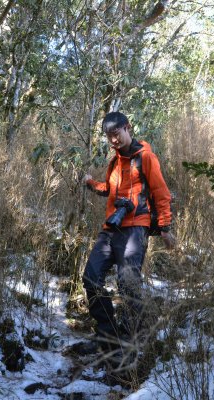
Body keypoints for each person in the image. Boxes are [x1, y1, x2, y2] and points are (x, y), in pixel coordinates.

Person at [81, 111, 175, 366]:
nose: (113, 140)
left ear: (127, 128)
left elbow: (161, 193)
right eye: (108, 137)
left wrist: (165, 227)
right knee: (91, 278)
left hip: (136, 227)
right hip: (111, 227)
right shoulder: (114, 161)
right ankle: (109, 339)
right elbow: (109, 190)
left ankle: (135, 341)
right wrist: (91, 182)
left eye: (116, 134)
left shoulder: (146, 157)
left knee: (129, 282)